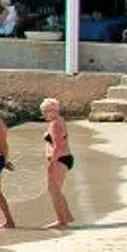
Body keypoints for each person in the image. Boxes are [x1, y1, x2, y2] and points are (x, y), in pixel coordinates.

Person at [38, 97, 75, 229]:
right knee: (56, 190)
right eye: (45, 111)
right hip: (64, 158)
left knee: (53, 190)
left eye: (48, 111)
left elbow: (58, 146)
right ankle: (68, 216)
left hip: (59, 159)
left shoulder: (54, 124)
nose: (46, 114)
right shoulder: (60, 120)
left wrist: (52, 163)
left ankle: (61, 220)